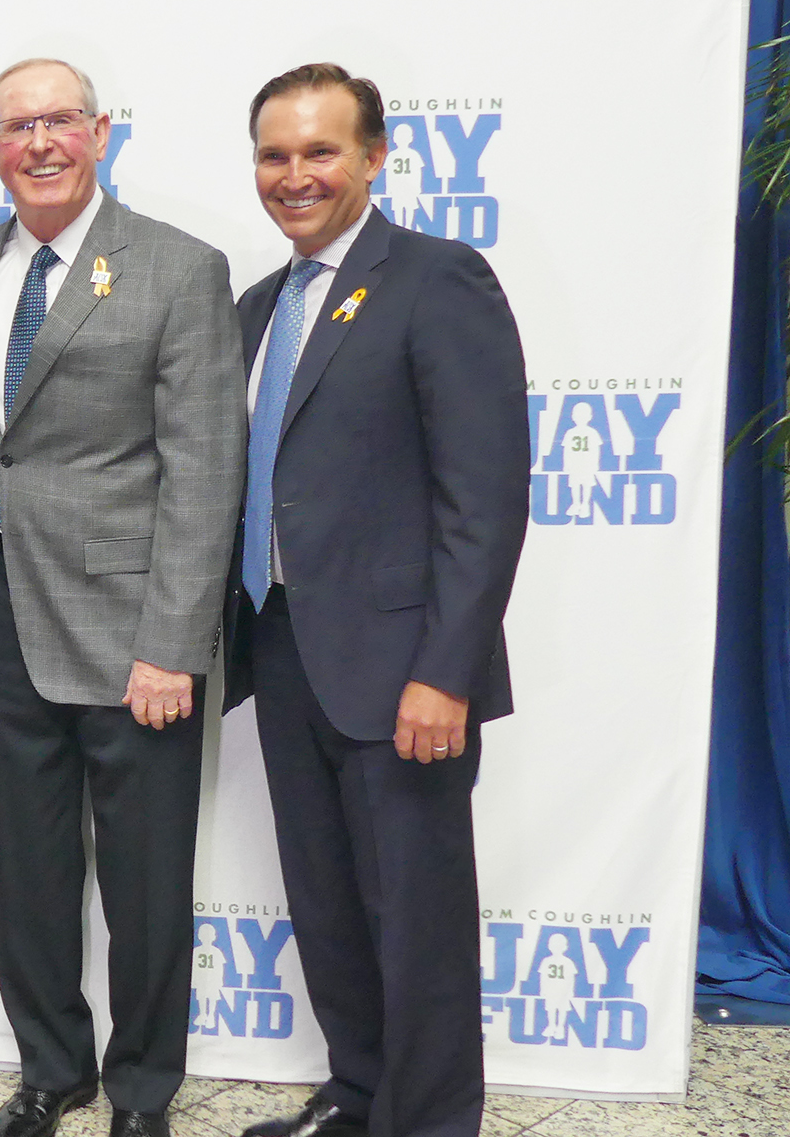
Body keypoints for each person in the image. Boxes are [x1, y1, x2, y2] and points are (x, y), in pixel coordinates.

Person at [0, 58, 246, 1137]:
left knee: (145, 880)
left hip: (133, 626)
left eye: (57, 121)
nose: (37, 142)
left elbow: (203, 466)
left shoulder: (177, 267)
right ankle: (52, 1066)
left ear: (100, 132)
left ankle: (141, 1087)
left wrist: (172, 644)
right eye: (14, 126)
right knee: (27, 862)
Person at [225, 63, 528, 1137]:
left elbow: (481, 500)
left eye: (318, 151)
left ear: (372, 157)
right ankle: (358, 1093)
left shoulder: (436, 279)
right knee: (327, 901)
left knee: (417, 919)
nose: (293, 174)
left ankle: (431, 1120)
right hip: (282, 649)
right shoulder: (260, 305)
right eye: (273, 153)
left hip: (402, 667)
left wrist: (444, 670)